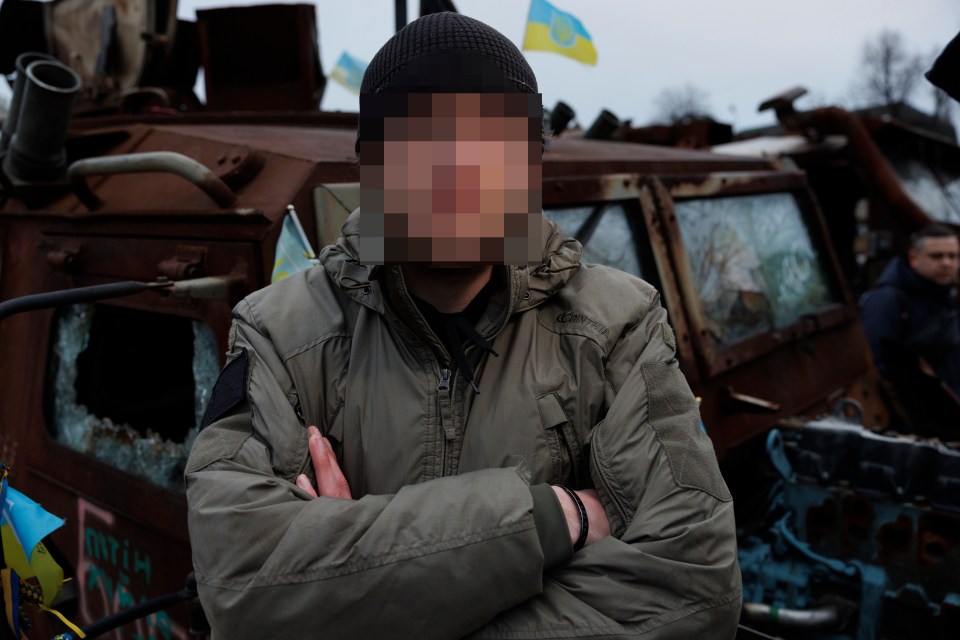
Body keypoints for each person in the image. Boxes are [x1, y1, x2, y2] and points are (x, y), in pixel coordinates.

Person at [185, 12, 740, 639]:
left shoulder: (616, 327)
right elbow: (241, 584)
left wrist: (353, 586)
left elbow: (694, 591)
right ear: (370, 167)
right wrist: (556, 521)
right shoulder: (281, 335)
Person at [860, 224, 960, 430]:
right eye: (936, 256)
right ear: (914, 258)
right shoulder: (887, 301)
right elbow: (875, 364)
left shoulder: (946, 295)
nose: (946, 263)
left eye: (953, 256)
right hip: (913, 419)